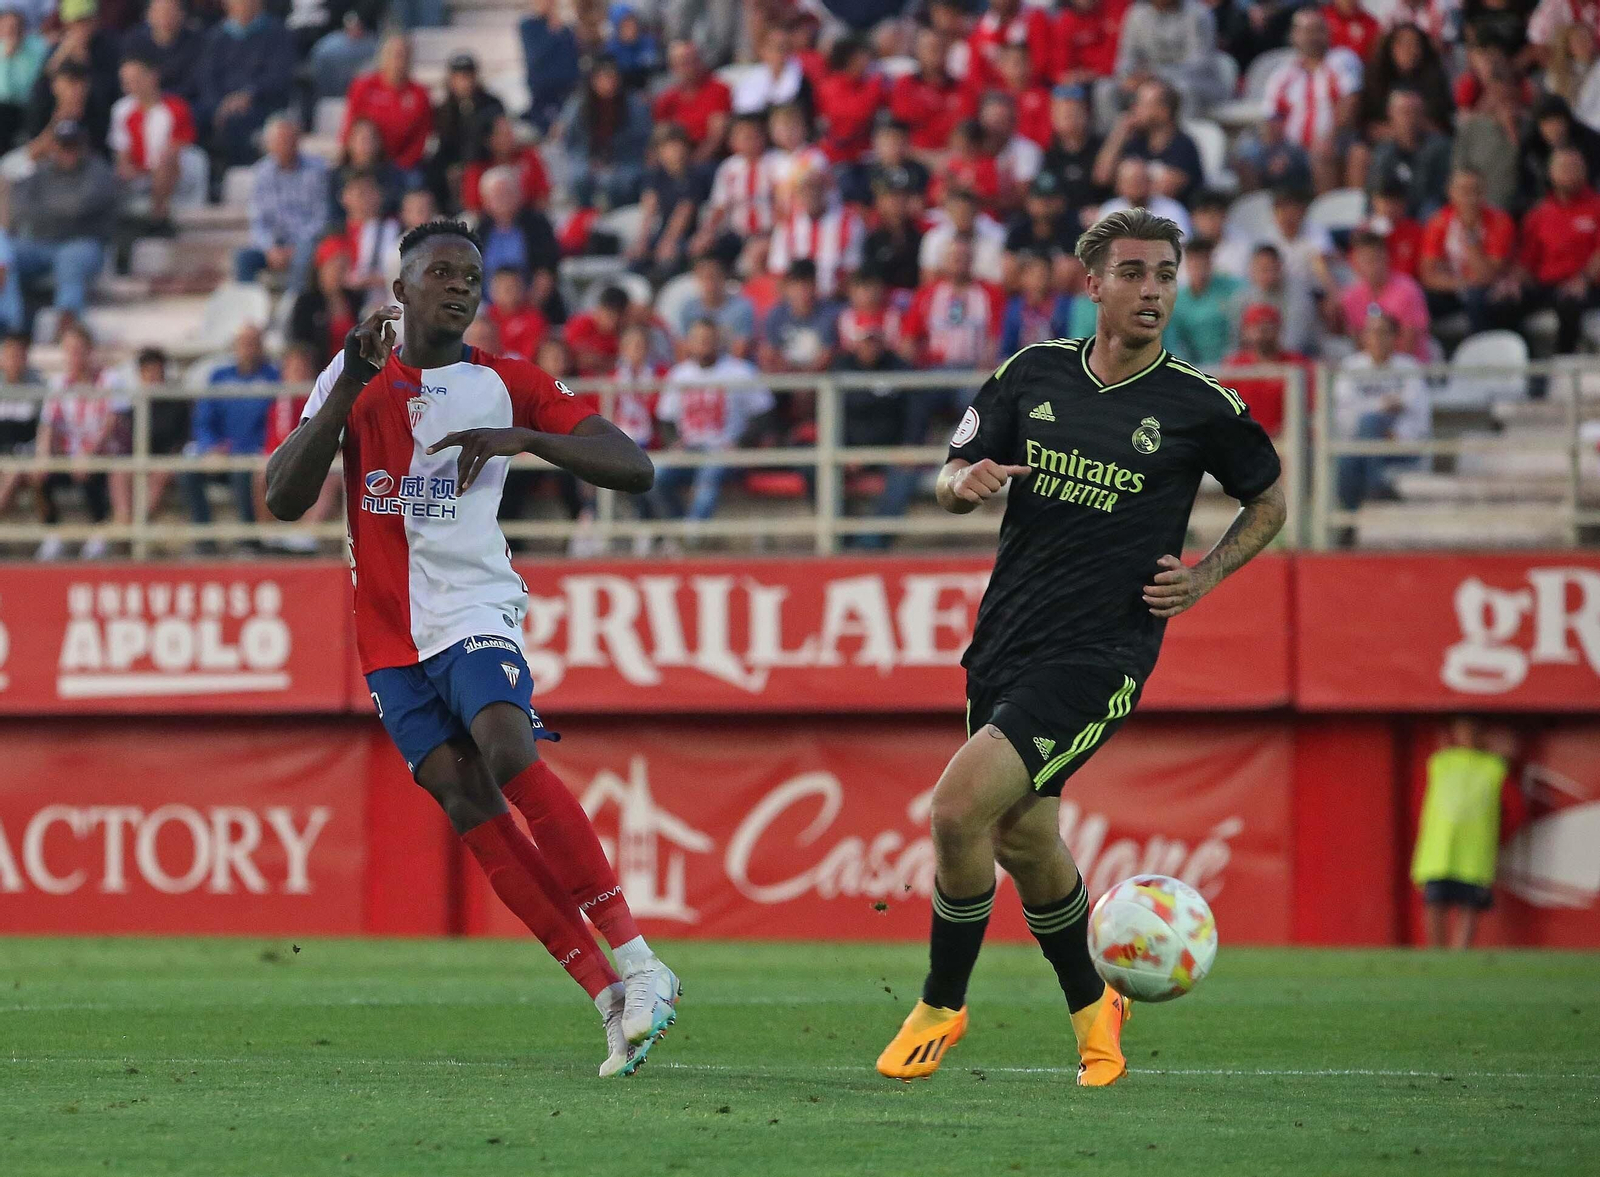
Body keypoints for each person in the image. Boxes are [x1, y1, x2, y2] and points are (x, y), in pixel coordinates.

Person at [876, 207, 1284, 1085]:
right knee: (1023, 836)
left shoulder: (1199, 405)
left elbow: (1272, 501)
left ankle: (942, 1004)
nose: (1152, 290)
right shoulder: (1033, 373)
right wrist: (965, 481)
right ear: (1092, 283)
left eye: (1166, 274)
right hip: (1006, 639)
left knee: (956, 809)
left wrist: (1205, 576)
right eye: (1134, 273)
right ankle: (1095, 1007)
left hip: (1102, 655)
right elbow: (949, 477)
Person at [265, 219, 673, 1078]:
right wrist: (347, 389)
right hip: (386, 635)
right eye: (442, 272)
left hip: (475, 608)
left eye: (472, 276)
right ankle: (606, 995)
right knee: (464, 797)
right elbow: (281, 495)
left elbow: (631, 465)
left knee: (502, 740)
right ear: (401, 287)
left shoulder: (507, 381)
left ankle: (641, 961)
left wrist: (529, 440)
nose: (460, 287)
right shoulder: (352, 375)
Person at [653, 317, 774, 522]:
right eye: (698, 338)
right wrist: (674, 443)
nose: (703, 343)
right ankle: (678, 530)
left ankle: (692, 536)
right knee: (655, 476)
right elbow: (666, 418)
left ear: (719, 341)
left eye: (709, 338)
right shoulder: (679, 375)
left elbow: (764, 414)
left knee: (709, 474)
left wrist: (740, 444)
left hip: (724, 449)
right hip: (689, 448)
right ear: (689, 342)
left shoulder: (740, 371)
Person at [3, 119, 119, 332]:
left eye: (73, 145)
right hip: (40, 245)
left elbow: (77, 206)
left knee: (70, 261)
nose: (68, 152)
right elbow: (19, 207)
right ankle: (10, 322)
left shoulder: (98, 172)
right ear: (54, 147)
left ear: (83, 146)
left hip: (83, 243)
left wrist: (43, 209)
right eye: (63, 146)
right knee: (6, 253)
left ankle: (67, 327)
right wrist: (53, 210)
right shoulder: (41, 171)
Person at [1411, 716, 1515, 950]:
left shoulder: (1493, 766)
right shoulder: (1441, 761)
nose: (1468, 736)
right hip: (1440, 849)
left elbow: (1513, 805)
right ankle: (1436, 956)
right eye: (1463, 730)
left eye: (1474, 731)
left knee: (1469, 907)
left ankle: (1460, 958)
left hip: (1475, 852)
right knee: (1435, 903)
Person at [34, 322, 129, 560]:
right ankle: (52, 533)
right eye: (68, 350)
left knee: (91, 470)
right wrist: (43, 457)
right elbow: (48, 425)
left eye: (78, 350)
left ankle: (99, 530)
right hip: (71, 454)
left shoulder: (108, 380)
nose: (73, 356)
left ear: (89, 351)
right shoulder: (58, 384)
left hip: (104, 453)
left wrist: (90, 453)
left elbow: (110, 423)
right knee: (39, 472)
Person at [182, 323, 276, 550]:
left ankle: (249, 538)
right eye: (244, 343)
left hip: (253, 453)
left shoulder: (273, 378)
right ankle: (204, 538)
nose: (248, 349)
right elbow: (204, 419)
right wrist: (210, 445)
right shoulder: (218, 377)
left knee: (243, 470)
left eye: (253, 343)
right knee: (186, 471)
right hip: (220, 452)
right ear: (235, 347)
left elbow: (274, 422)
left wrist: (247, 448)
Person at [1333, 311, 1428, 521]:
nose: (1377, 338)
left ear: (1395, 337)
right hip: (1359, 442)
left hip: (1398, 444)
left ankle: (1353, 520)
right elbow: (1345, 412)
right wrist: (1383, 405)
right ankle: (1373, 495)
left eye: (1383, 332)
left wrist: (1395, 433)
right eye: (1371, 332)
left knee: (1357, 448)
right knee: (1354, 449)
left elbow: (1418, 414)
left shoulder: (1409, 367)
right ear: (1364, 337)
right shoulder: (1351, 367)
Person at [1261, 8, 1364, 193]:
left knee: (1321, 153)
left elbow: (1350, 103)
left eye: (1318, 30)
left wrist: (1329, 138)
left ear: (1328, 33)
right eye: (1306, 31)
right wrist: (1276, 152)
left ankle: (1327, 213)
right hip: (1293, 148)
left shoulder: (1341, 61)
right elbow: (1272, 118)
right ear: (1294, 35)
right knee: (1247, 154)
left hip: (1338, 139)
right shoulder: (1282, 74)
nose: (1313, 36)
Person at [1512, 145, 1600, 356]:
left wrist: (1584, 279)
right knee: (1501, 302)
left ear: (1585, 171)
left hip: (1588, 286)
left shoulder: (1597, 207)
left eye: (1575, 167)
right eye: (1563, 167)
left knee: (1569, 302)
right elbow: (1526, 261)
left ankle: (1564, 363)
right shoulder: (1539, 213)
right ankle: (1524, 364)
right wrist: (1513, 282)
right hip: (1548, 286)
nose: (1569, 173)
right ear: (1551, 172)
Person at [193, 0, 293, 173]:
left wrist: (248, 94)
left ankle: (235, 176)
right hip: (219, 104)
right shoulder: (216, 36)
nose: (243, 5)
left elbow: (278, 76)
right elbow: (206, 78)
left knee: (237, 123)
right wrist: (219, 105)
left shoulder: (277, 33)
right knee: (192, 118)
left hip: (261, 103)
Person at [110, 50, 205, 228]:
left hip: (175, 172)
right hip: (140, 176)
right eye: (127, 81)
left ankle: (157, 218)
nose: (132, 85)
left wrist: (154, 172)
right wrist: (129, 169)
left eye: (136, 78)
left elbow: (178, 148)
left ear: (153, 76)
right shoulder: (121, 110)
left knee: (166, 159)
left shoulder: (175, 107)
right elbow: (122, 153)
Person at [1419, 168, 1519, 333]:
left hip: (1490, 290)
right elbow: (1428, 275)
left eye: (1476, 191)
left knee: (1479, 299)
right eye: (1464, 191)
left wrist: (1471, 240)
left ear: (1484, 193)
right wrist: (1461, 284)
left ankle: (1480, 352)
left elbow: (1488, 276)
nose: (1471, 198)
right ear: (1451, 192)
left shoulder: (1500, 222)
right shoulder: (1438, 223)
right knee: (1418, 299)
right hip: (1453, 288)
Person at [1093, 79, 1204, 207]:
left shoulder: (1183, 146)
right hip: (1131, 214)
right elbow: (1101, 177)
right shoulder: (1134, 141)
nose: (1134, 109)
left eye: (1142, 104)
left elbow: (1165, 191)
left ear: (1164, 111)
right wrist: (1119, 133)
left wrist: (1128, 181)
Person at [560, 55, 650, 209]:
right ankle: (585, 217)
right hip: (587, 159)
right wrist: (589, 161)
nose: (608, 82)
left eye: (612, 76)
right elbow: (569, 140)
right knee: (579, 179)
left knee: (614, 183)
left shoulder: (634, 104)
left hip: (626, 161)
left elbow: (644, 141)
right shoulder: (578, 105)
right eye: (602, 77)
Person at [341, 32, 431, 179]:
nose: (398, 61)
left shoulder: (420, 94)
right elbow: (350, 125)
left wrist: (400, 166)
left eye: (404, 55)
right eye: (394, 54)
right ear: (384, 56)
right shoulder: (363, 86)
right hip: (364, 160)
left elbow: (420, 139)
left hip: (402, 165)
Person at [767, 170, 865, 299]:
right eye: (805, 190)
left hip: (835, 300)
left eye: (816, 189)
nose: (811, 194)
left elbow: (853, 272)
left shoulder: (850, 222)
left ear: (827, 191)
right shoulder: (786, 225)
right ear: (798, 194)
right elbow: (779, 273)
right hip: (796, 303)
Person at [1220, 302, 1312, 435]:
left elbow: (1309, 410)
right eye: (1256, 327)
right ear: (1245, 331)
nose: (1262, 332)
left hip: (1288, 443)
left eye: (1268, 326)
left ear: (1279, 329)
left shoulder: (1297, 363)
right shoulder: (1234, 367)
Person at [1338, 229, 1432, 359]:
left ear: (1387, 258)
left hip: (1407, 365)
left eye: (1376, 259)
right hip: (1370, 366)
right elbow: (1358, 341)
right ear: (1356, 262)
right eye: (1367, 260)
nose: (1373, 266)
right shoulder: (1351, 297)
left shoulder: (1408, 290)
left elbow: (1410, 341)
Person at [1365, 89, 1453, 220]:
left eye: (1415, 112)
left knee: (1430, 210)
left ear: (1423, 115)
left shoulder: (1441, 148)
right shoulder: (1383, 151)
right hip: (1391, 214)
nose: (1409, 118)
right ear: (1391, 114)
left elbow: (1439, 193)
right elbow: (1375, 190)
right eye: (1403, 112)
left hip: (1425, 215)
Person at [652, 40, 731, 167]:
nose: (687, 67)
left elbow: (717, 136)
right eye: (681, 62)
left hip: (710, 160)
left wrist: (692, 165)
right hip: (676, 161)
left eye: (692, 60)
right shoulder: (667, 99)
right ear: (672, 67)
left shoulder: (718, 90)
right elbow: (660, 137)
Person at [1165, 236, 1241, 366]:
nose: (1200, 270)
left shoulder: (1232, 290)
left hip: (1230, 366)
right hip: (1192, 369)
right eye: (1195, 264)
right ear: (1187, 264)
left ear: (1211, 263)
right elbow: (1174, 342)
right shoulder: (1177, 300)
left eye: (1204, 263)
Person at [460, 113, 550, 215]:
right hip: (489, 224)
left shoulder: (528, 158)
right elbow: (473, 206)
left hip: (528, 219)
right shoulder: (476, 168)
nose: (510, 137)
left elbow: (542, 195)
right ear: (488, 140)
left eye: (510, 132)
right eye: (503, 134)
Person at [675, 252, 757, 359]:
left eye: (714, 277)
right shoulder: (689, 308)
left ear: (724, 277)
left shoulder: (741, 308)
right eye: (705, 277)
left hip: (730, 367)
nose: (710, 283)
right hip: (698, 366)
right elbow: (683, 346)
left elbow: (741, 348)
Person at [289, 238, 359, 360]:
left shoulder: (354, 299)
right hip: (319, 368)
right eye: (334, 267)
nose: (338, 273)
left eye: (343, 268)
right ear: (321, 268)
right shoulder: (307, 302)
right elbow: (300, 342)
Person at [1094, 158, 1192, 239]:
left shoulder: (1172, 209)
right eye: (1131, 182)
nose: (1137, 186)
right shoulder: (1109, 211)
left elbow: (1182, 246)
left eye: (1140, 180)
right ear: (1119, 186)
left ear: (1150, 182)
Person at [485, 266, 546, 359]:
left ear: (522, 289)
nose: (508, 292)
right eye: (504, 287)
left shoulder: (534, 319)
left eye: (513, 287)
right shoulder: (485, 317)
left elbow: (532, 354)